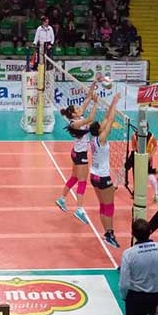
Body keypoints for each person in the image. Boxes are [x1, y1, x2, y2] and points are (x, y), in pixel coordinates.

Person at [55, 85, 98, 223]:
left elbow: (86, 99)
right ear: (73, 114)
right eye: (77, 109)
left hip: (75, 152)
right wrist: (96, 103)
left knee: (74, 177)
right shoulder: (75, 124)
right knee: (82, 181)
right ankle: (79, 209)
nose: (80, 109)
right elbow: (91, 118)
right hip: (80, 155)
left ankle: (62, 199)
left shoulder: (78, 116)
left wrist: (93, 86)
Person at [89, 94, 121, 247]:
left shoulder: (94, 139)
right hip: (102, 177)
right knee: (109, 206)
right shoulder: (102, 139)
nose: (103, 123)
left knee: (103, 205)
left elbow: (107, 119)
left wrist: (111, 105)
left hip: (94, 176)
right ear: (100, 129)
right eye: (101, 124)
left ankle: (107, 233)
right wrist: (114, 102)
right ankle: (110, 233)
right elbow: (111, 119)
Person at [124, 124, 158, 200]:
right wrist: (136, 152)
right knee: (129, 170)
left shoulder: (151, 136)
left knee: (149, 175)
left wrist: (151, 155)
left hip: (147, 158)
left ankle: (156, 194)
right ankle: (135, 191)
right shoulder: (134, 135)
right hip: (137, 156)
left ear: (147, 128)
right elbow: (133, 146)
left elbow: (155, 146)